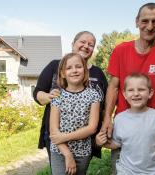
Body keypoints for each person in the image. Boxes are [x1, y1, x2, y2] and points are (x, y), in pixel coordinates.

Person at [101, 2, 155, 174]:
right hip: (125, 128)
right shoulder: (120, 50)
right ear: (137, 21)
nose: (150, 26)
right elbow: (113, 88)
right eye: (145, 21)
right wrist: (107, 119)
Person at [32, 31, 108, 167]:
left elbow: (105, 103)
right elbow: (38, 92)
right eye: (82, 42)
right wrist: (49, 97)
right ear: (73, 44)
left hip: (85, 140)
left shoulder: (98, 73)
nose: (86, 46)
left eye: (91, 45)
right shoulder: (55, 65)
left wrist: (106, 125)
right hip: (58, 138)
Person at [96, 73, 155, 175]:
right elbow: (116, 144)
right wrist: (101, 142)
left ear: (150, 93)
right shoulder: (119, 119)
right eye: (131, 90)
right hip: (126, 171)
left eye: (141, 89)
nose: (136, 94)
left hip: (153, 171)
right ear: (124, 94)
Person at [49, 53, 101, 175]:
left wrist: (65, 136)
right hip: (59, 150)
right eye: (69, 68)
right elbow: (53, 130)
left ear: (85, 70)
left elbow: (92, 128)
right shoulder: (58, 96)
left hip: (82, 152)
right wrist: (67, 154)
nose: (74, 71)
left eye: (78, 66)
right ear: (62, 74)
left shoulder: (94, 95)